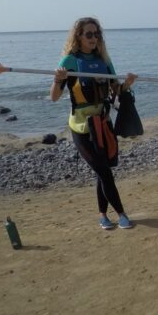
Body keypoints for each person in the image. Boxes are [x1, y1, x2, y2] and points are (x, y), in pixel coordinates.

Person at [50, 17, 138, 231]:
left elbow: (115, 93)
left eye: (96, 34)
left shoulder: (104, 61)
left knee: (103, 171)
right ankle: (121, 214)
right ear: (78, 37)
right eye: (89, 34)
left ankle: (102, 216)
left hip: (103, 124)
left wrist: (126, 84)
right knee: (104, 172)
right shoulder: (69, 61)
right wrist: (59, 79)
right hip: (81, 127)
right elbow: (53, 97)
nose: (94, 38)